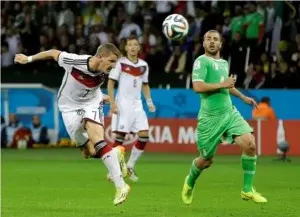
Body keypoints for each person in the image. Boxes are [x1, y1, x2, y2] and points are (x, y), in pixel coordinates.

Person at [14, 43, 130, 205]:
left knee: (97, 139)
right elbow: (53, 53)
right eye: (111, 61)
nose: (113, 65)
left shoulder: (109, 70)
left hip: (91, 104)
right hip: (68, 108)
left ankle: (121, 186)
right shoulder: (76, 62)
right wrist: (28, 58)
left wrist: (105, 98)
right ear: (101, 56)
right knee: (88, 152)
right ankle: (115, 154)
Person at [181, 30, 267, 204]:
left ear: (221, 44)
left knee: (250, 144)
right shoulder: (201, 61)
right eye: (208, 39)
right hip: (210, 118)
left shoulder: (222, 63)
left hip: (229, 113)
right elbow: (197, 86)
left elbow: (226, 87)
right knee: (206, 160)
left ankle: (247, 190)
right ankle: (189, 181)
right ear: (204, 44)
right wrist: (222, 84)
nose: (212, 42)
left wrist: (243, 97)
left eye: (215, 39)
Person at [107, 36, 156, 182]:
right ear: (126, 48)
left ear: (139, 48)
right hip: (123, 105)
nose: (133, 47)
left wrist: (149, 101)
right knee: (119, 139)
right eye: (130, 45)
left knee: (144, 135)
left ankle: (130, 165)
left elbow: (145, 85)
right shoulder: (120, 64)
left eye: (136, 45)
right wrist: (112, 103)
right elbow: (110, 83)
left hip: (137, 106)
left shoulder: (143, 65)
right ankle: (113, 170)